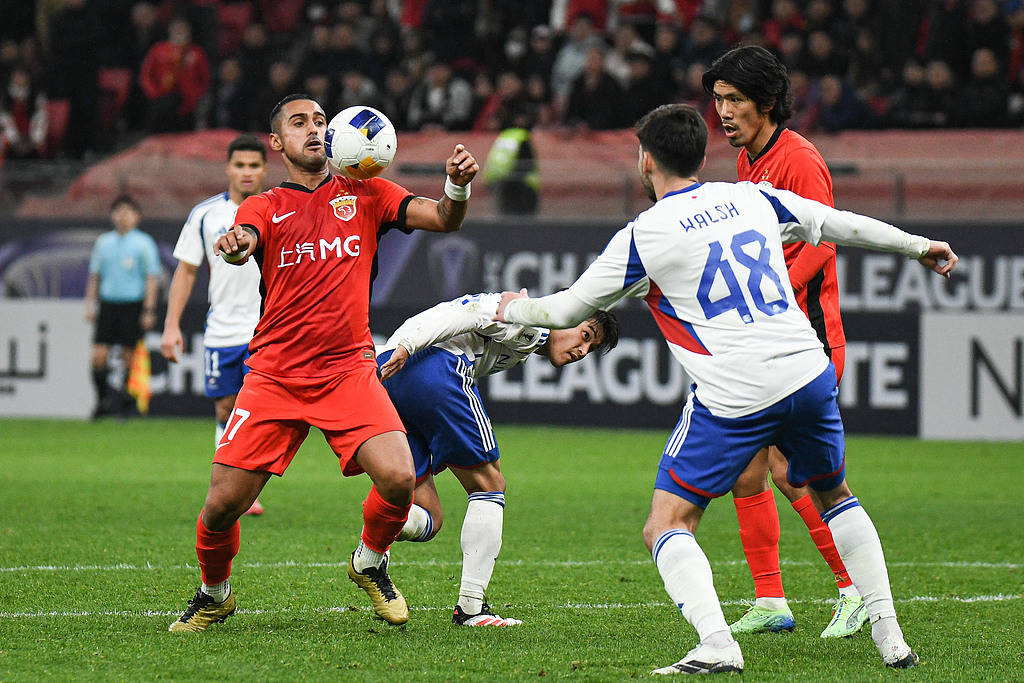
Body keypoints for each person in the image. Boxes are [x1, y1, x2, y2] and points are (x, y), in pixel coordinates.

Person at [495, 103, 957, 673]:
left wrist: (510, 308)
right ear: (699, 155)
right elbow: (838, 224)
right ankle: (891, 639)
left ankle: (716, 644)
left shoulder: (645, 234)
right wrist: (919, 245)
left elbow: (566, 310)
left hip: (738, 394)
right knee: (835, 495)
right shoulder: (751, 197)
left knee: (666, 523)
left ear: (646, 160)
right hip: (807, 372)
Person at [168, 94, 478, 633]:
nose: (313, 129)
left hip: (347, 370)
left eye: (319, 121)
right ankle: (214, 593)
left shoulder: (368, 193)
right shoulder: (263, 206)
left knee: (399, 478)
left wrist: (456, 186)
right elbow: (245, 239)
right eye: (298, 123)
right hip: (275, 374)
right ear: (276, 142)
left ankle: (370, 561)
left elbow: (443, 219)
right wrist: (238, 244)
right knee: (221, 506)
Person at [701, 44, 864, 638]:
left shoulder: (798, 158)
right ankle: (771, 600)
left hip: (808, 338)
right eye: (718, 100)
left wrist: (767, 291)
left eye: (734, 99)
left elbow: (825, 241)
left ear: (767, 101)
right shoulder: (750, 160)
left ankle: (854, 590)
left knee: (796, 472)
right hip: (768, 337)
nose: (723, 112)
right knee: (747, 470)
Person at [376, 293, 619, 626]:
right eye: (585, 335)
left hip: (393, 373)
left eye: (590, 348)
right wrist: (408, 344)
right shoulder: (533, 324)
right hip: (431, 365)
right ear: (565, 316)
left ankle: (371, 546)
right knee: (489, 485)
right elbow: (468, 314)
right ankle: (471, 608)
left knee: (428, 515)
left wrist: (400, 347)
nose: (582, 350)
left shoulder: (529, 333)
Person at [161, 134, 269, 516]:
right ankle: (230, 488)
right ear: (228, 168)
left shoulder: (276, 210)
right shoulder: (205, 214)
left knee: (256, 412)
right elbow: (187, 271)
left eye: (253, 165)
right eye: (240, 165)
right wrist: (171, 325)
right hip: (222, 328)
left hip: (266, 329)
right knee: (225, 409)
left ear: (264, 169)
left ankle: (244, 491)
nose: (246, 172)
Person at [84, 195, 161, 419]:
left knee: (129, 355)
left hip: (132, 305)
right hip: (108, 304)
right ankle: (102, 401)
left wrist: (148, 310)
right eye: (118, 212)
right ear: (112, 215)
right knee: (99, 356)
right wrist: (89, 304)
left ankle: (127, 401)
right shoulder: (103, 242)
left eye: (128, 212)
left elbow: (151, 278)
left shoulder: (144, 243)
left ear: (137, 217)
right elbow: (95, 276)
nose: (123, 216)